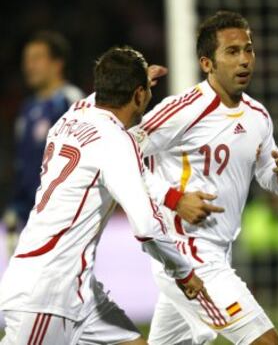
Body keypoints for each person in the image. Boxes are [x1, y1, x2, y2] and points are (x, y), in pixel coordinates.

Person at [0, 47, 211, 345]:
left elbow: (101, 98)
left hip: (80, 292)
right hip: (47, 294)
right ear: (139, 95)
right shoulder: (116, 142)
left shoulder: (70, 117)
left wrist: (133, 80)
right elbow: (147, 229)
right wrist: (184, 273)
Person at [129, 11, 278, 345]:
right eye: (232, 52)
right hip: (185, 253)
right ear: (207, 63)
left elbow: (270, 172)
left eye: (248, 50)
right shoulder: (183, 109)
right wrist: (174, 199)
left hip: (217, 250)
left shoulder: (258, 116)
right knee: (265, 341)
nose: (244, 61)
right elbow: (123, 156)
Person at [2, 31, 84, 255]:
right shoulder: (27, 109)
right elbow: (24, 166)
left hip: (61, 218)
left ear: (57, 63)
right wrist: (15, 208)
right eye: (26, 60)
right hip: (31, 218)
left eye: (37, 58)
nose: (29, 66)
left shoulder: (71, 102)